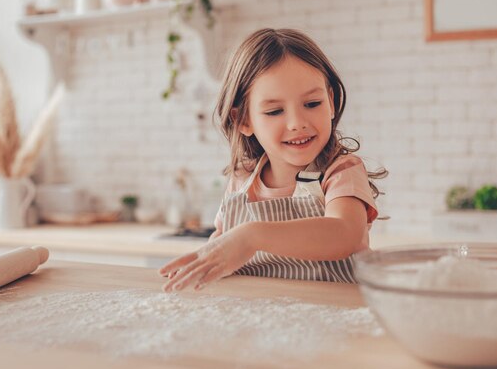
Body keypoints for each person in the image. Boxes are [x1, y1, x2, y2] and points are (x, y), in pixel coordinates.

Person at [159, 28, 387, 292]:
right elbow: (222, 246)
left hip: (334, 319)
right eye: (275, 111)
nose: (297, 123)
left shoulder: (340, 171)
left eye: (312, 104)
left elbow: (345, 233)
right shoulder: (242, 180)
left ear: (331, 102)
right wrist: (202, 262)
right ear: (243, 120)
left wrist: (252, 236)